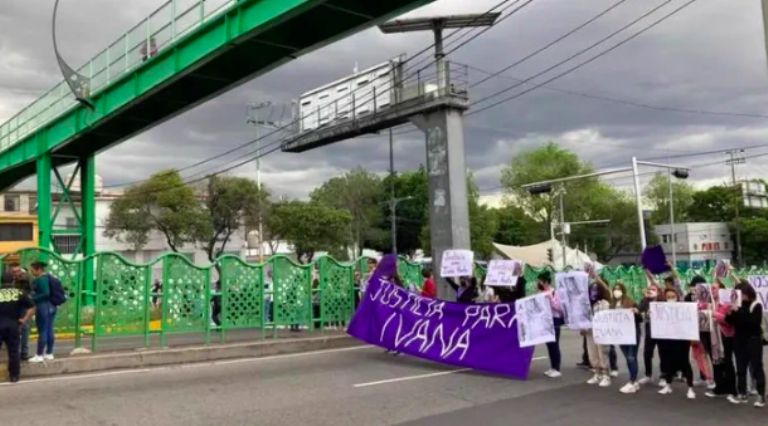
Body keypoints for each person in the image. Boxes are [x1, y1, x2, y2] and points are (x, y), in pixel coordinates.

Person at [726, 281, 766, 407]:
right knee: (740, 368)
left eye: (741, 294)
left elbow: (752, 324)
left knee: (756, 368)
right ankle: (742, 393)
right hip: (739, 340)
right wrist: (730, 313)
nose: (740, 297)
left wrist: (738, 311)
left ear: (747, 293)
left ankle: (761, 395)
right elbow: (730, 321)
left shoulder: (756, 305)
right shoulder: (737, 306)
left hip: (753, 340)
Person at [657, 287, 696, 399]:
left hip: (682, 339)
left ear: (677, 297)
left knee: (685, 362)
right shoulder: (662, 309)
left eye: (673, 296)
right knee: (669, 362)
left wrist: (692, 337)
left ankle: (690, 388)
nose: (671, 298)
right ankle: (668, 385)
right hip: (668, 339)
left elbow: (690, 322)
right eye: (668, 297)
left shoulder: (684, 308)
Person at [609, 281, 642, 394]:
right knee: (628, 357)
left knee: (631, 357)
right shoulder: (612, 305)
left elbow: (640, 318)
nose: (616, 291)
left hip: (632, 333)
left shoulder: (630, 302)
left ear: (623, 291)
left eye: (618, 289)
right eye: (615, 289)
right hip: (621, 335)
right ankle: (633, 380)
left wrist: (636, 312)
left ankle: (632, 381)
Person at [707, 279, 737, 399]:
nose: (712, 290)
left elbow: (729, 320)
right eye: (711, 288)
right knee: (716, 361)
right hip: (713, 336)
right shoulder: (710, 303)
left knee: (727, 362)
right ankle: (719, 387)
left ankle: (732, 390)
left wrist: (716, 315)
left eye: (714, 288)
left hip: (725, 336)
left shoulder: (726, 303)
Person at [0, 281, 35, 382]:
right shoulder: (19, 293)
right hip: (13, 325)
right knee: (14, 351)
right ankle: (14, 375)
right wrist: (24, 319)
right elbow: (32, 307)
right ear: (13, 281)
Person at [584, 274, 611, 387]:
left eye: (596, 289)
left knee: (602, 353)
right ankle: (597, 373)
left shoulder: (605, 302)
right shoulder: (588, 305)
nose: (593, 292)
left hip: (602, 332)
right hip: (590, 331)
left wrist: (596, 277)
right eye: (592, 290)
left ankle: (606, 375)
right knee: (592, 353)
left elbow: (607, 290)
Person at [28, 261, 57, 363]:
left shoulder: (41, 280)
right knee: (49, 329)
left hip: (43, 307)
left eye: (33, 270)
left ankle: (39, 355)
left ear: (39, 269)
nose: (31, 272)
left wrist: (32, 298)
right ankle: (49, 353)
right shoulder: (48, 278)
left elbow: (46, 293)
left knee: (43, 331)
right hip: (52, 306)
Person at [537, 271, 564, 378]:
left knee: (554, 344)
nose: (538, 283)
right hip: (545, 321)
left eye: (540, 281)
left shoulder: (554, 292)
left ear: (545, 282)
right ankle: (552, 367)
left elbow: (559, 307)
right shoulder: (541, 292)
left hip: (554, 320)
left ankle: (557, 368)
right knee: (549, 345)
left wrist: (550, 299)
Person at [638, 282, 662, 385]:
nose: (651, 291)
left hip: (661, 331)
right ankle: (648, 375)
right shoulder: (645, 301)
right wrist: (645, 298)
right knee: (647, 353)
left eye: (653, 289)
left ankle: (664, 376)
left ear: (658, 291)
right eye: (649, 289)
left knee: (663, 353)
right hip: (649, 331)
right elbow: (639, 310)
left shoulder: (662, 300)